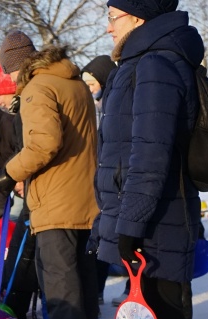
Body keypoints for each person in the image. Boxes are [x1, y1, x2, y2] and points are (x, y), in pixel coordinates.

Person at [91, 0, 202, 319]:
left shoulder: (155, 64)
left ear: (137, 18)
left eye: (113, 15)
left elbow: (149, 157)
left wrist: (129, 226)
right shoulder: (142, 62)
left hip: (161, 221)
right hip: (153, 218)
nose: (107, 25)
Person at [0, 30, 99, 319]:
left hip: (56, 194)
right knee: (81, 268)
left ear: (16, 65)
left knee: (57, 270)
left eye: (7, 71)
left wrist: (9, 173)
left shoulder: (37, 87)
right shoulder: (72, 81)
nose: (8, 79)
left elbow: (44, 144)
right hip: (84, 190)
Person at [80, 54, 123, 306]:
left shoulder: (112, 107)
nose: (88, 91)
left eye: (91, 84)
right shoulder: (100, 108)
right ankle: (96, 293)